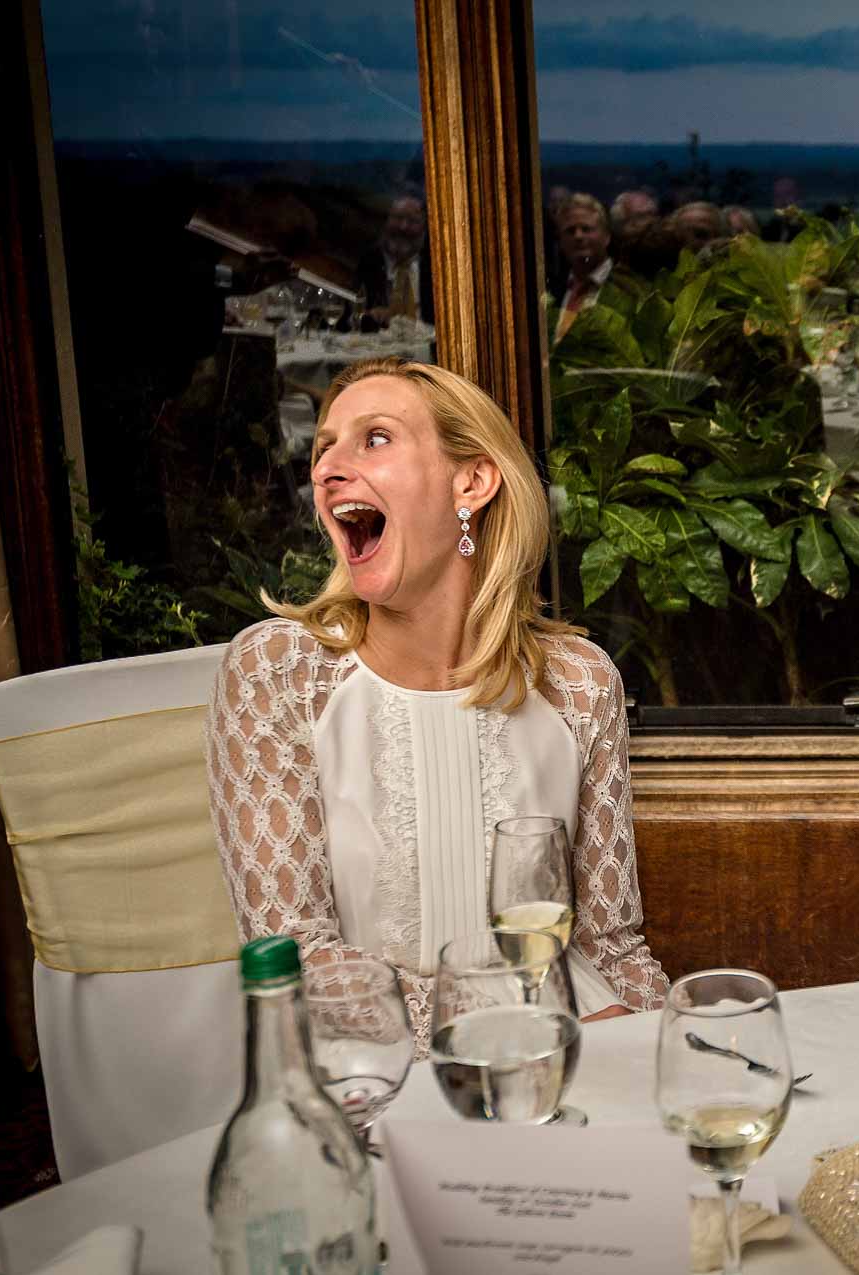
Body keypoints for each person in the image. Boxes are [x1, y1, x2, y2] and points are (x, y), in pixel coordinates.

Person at [206, 358, 668, 1050]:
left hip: (570, 1056)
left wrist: (665, 1046)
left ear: (473, 482)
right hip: (379, 1074)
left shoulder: (578, 681)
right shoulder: (279, 673)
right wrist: (507, 1028)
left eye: (375, 439)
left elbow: (612, 949)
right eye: (324, 445)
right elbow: (298, 959)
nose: (329, 466)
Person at [551, 194, 637, 342]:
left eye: (586, 229)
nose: (578, 236)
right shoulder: (551, 289)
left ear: (607, 236)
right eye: (570, 231)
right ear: (560, 242)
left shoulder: (630, 286)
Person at [354, 193, 434, 331]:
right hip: (379, 346)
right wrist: (369, 316)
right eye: (398, 218)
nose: (403, 227)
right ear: (387, 220)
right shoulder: (368, 261)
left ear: (424, 226)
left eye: (412, 221)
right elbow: (352, 309)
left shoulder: (436, 263)